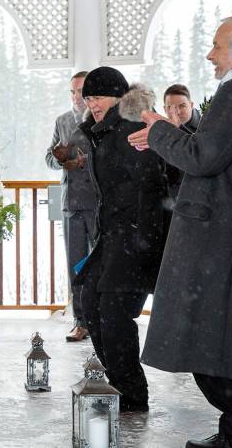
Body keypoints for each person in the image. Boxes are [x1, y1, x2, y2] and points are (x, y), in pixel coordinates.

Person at [131, 15, 232, 448]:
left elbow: (203, 156)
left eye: (217, 45)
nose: (210, 54)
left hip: (217, 238)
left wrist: (159, 132)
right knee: (227, 339)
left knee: (204, 339)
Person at [76, 66, 168, 413]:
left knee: (114, 316)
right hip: (111, 236)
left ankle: (131, 394)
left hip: (134, 239)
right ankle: (119, 382)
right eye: (87, 97)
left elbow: (151, 189)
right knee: (90, 306)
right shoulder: (104, 132)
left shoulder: (131, 131)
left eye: (97, 96)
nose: (92, 103)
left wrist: (145, 244)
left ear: (117, 96)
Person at [45, 70, 95, 342]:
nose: (77, 97)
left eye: (82, 92)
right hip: (72, 202)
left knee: (100, 263)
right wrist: (60, 160)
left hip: (99, 203)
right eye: (73, 91)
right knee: (75, 263)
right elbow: (48, 158)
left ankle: (101, 318)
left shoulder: (102, 119)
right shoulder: (62, 121)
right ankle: (81, 321)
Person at [162, 84, 202, 201]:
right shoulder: (161, 133)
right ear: (165, 109)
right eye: (171, 107)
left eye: (182, 106)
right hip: (172, 203)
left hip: (199, 200)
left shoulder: (206, 128)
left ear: (191, 105)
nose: (177, 112)